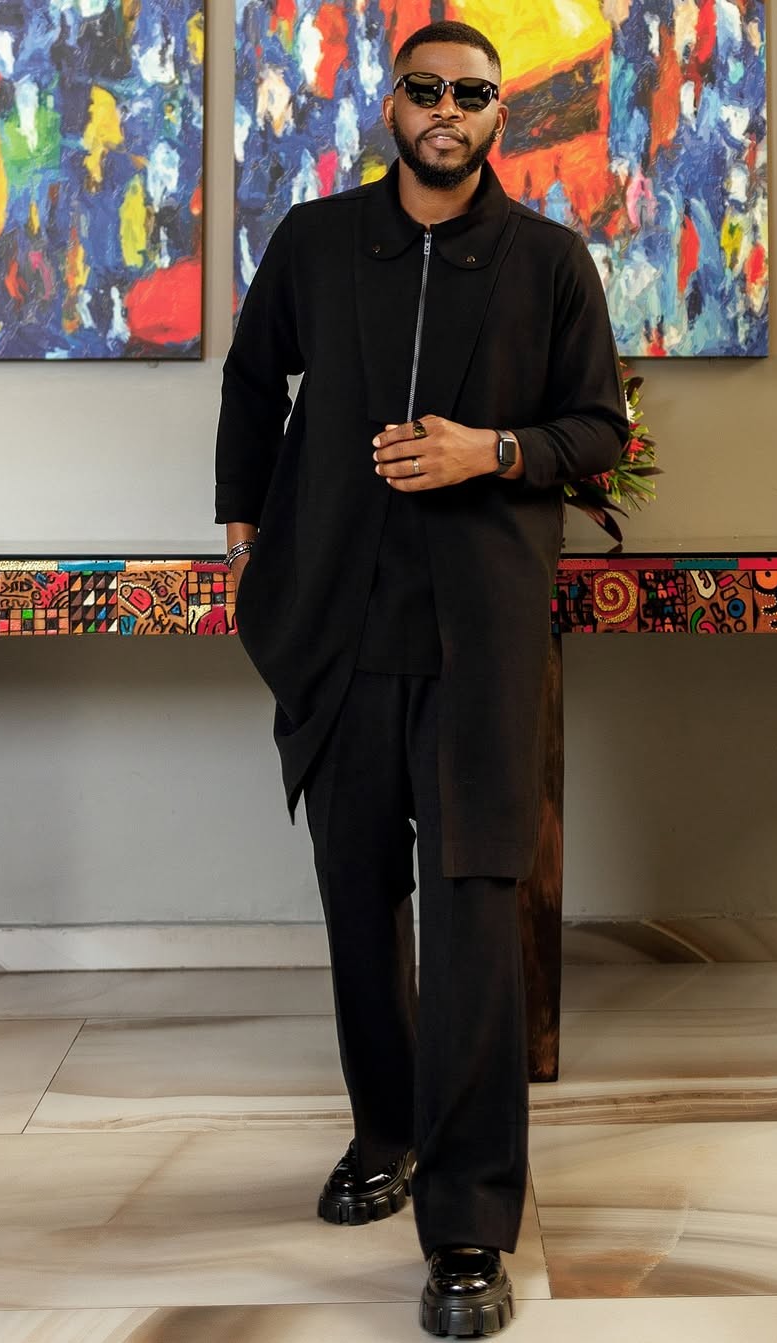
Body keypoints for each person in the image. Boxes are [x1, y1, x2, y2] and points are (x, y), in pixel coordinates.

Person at [215, 19, 627, 1337]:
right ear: (391, 103)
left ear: (502, 114)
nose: (448, 109)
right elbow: (252, 383)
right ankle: (385, 1132)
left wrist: (488, 452)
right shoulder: (315, 241)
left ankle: (467, 1226)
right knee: (356, 900)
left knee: (469, 920)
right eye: (426, 88)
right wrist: (246, 531)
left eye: (473, 93)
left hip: (477, 640)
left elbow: (597, 430)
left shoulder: (550, 262)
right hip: (337, 629)